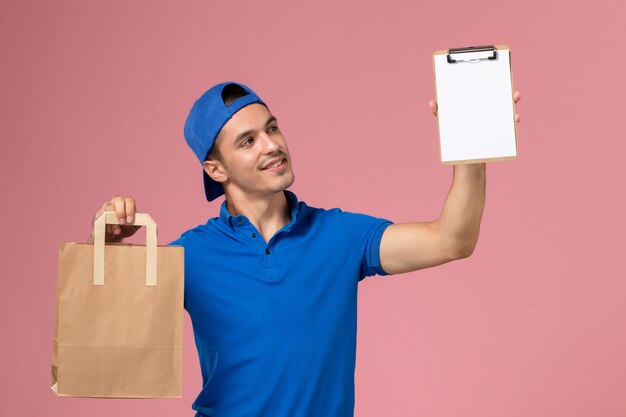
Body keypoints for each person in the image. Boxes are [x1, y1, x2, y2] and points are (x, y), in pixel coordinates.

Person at [88, 81, 521, 417]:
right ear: (214, 168)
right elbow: (104, 324)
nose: (272, 145)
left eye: (272, 128)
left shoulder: (339, 235)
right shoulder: (190, 255)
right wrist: (102, 245)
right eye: (247, 141)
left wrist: (472, 148)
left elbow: (453, 239)